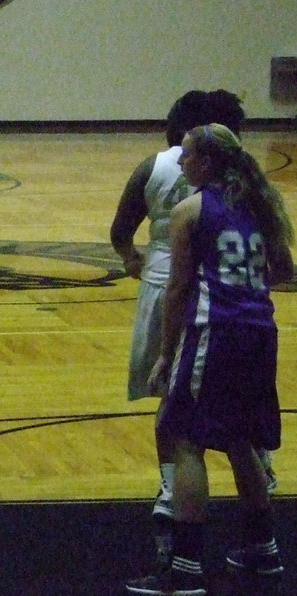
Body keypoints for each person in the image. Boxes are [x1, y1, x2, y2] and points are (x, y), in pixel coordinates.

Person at [125, 123, 293, 594]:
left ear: (207, 163)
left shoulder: (190, 210)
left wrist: (165, 353)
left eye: (188, 157)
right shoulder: (262, 206)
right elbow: (285, 270)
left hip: (214, 332)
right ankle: (264, 550)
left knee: (184, 438)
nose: (180, 163)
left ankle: (184, 568)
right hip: (261, 331)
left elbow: (178, 289)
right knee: (241, 439)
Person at [109, 91, 276, 527]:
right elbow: (282, 263)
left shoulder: (163, 175)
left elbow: (121, 230)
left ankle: (173, 492)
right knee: (237, 416)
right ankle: (259, 489)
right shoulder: (249, 189)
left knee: (174, 408)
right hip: (242, 308)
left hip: (176, 291)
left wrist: (130, 258)